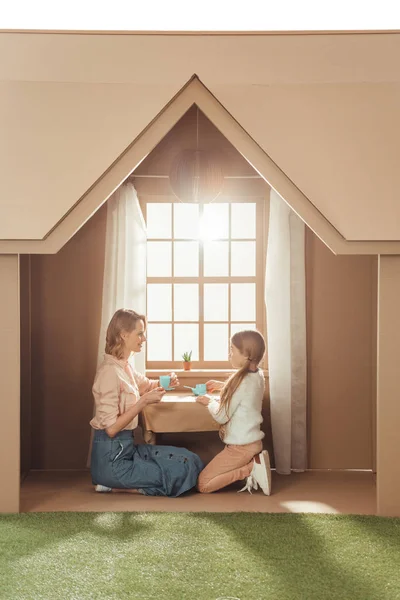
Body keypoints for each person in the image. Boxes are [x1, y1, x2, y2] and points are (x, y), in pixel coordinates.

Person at [90, 308, 203, 497]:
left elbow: (147, 386)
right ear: (124, 335)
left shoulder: (124, 366)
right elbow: (110, 429)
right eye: (140, 334)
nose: (144, 339)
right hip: (112, 459)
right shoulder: (109, 372)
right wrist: (142, 402)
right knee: (179, 472)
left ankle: (115, 485)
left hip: (127, 449)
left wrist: (165, 382)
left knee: (190, 460)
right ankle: (114, 485)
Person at [195, 330, 271, 495]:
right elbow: (247, 395)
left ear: (245, 355)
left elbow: (222, 416)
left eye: (232, 350)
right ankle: (253, 464)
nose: (229, 354)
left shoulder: (241, 382)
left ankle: (250, 469)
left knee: (204, 484)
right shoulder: (257, 374)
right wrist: (224, 386)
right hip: (252, 443)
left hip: (241, 447)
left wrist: (210, 402)